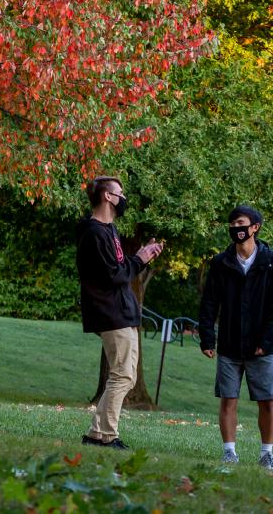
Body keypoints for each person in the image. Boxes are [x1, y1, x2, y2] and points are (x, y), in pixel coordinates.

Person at [198, 205, 273, 471]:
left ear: (255, 227)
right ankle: (229, 452)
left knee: (267, 400)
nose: (236, 228)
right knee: (228, 398)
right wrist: (207, 339)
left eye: (241, 223)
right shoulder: (220, 262)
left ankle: (267, 453)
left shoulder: (271, 261)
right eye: (232, 223)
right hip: (229, 343)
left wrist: (267, 340)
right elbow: (209, 303)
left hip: (262, 347)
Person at [78, 176, 163, 450]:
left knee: (127, 375)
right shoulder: (94, 233)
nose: (123, 198)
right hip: (110, 311)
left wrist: (140, 254)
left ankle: (98, 434)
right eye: (120, 193)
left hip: (122, 310)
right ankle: (104, 435)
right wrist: (141, 259)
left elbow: (119, 266)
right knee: (122, 375)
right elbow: (114, 275)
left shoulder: (109, 229)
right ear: (107, 197)